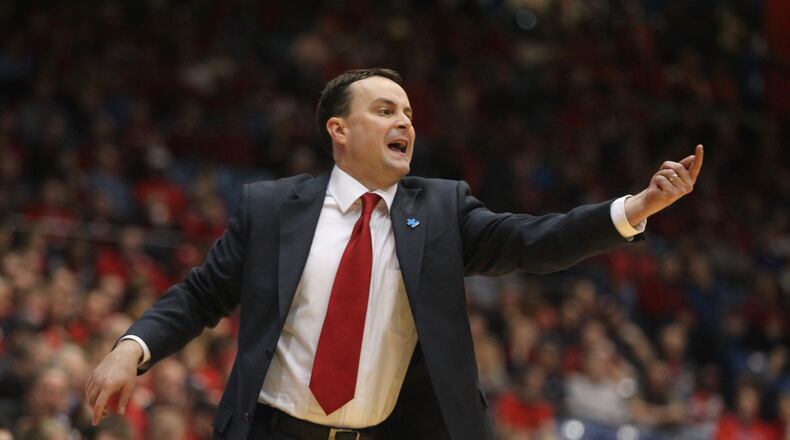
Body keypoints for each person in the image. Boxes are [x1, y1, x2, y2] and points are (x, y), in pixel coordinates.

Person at [85, 68, 704, 440]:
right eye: (385, 110)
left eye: (408, 112)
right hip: (272, 430)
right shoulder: (272, 208)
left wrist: (634, 208)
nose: (404, 121)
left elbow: (529, 243)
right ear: (340, 130)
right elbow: (200, 295)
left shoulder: (440, 208)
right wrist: (130, 350)